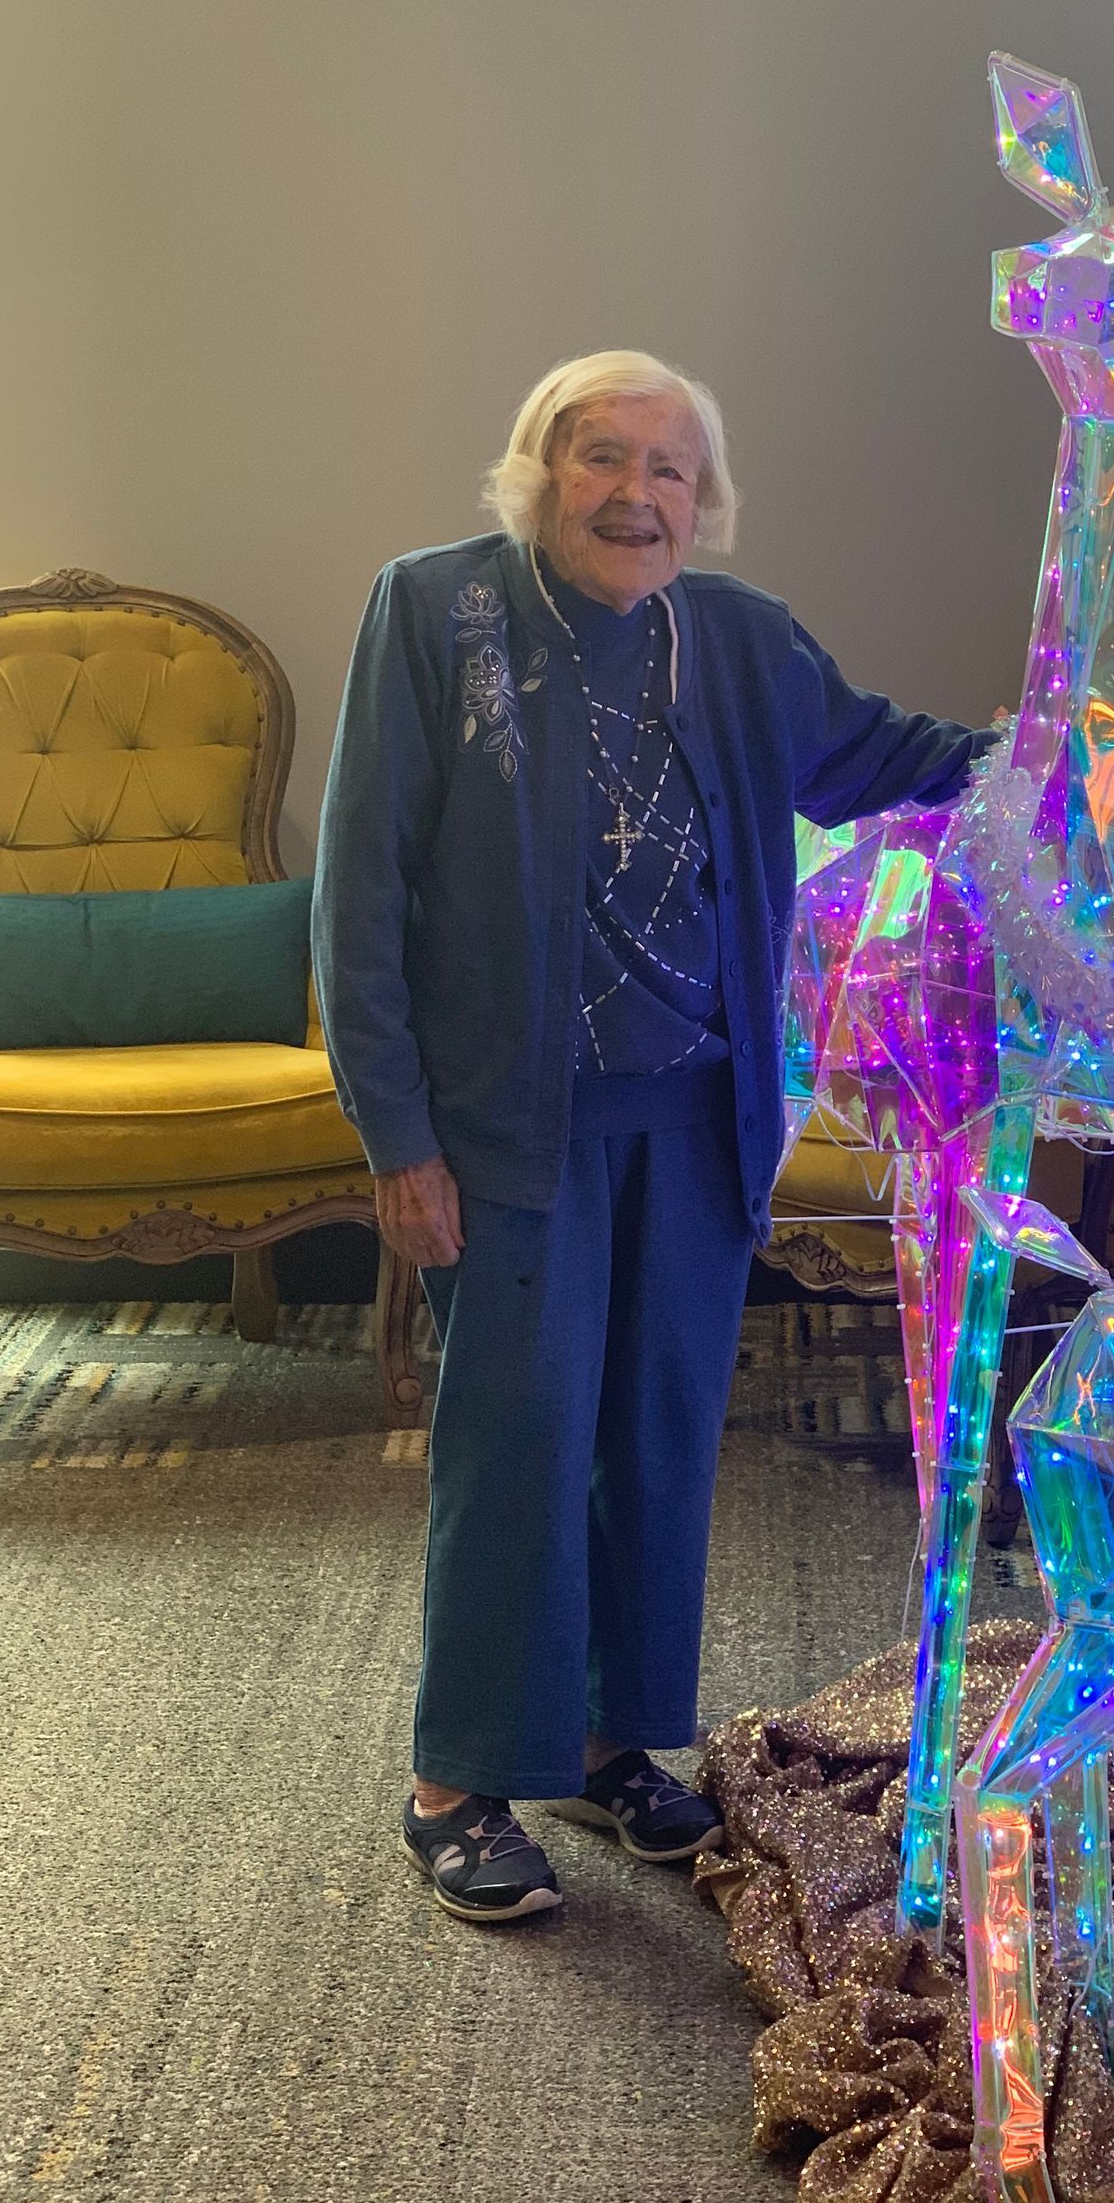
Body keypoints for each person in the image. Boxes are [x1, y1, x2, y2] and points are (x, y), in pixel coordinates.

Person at [313, 349, 993, 1922]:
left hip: (696, 1125)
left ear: (706, 499)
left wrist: (1079, 743)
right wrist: (396, 1134)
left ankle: (621, 1744)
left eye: (668, 468)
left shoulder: (743, 645)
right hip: (508, 1130)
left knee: (659, 1437)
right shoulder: (432, 615)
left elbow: (906, 761)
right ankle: (461, 1779)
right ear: (538, 474)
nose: (635, 493)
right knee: (519, 1443)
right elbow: (361, 899)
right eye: (600, 458)